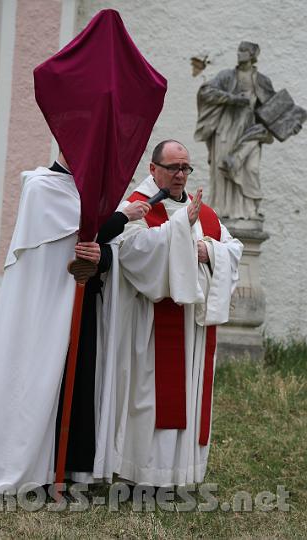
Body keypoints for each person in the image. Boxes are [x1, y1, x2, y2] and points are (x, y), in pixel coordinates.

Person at [0, 151, 149, 493]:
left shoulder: (85, 190)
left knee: (81, 378)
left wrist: (104, 251)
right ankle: (29, 467)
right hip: (43, 310)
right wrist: (123, 215)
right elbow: (86, 228)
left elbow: (95, 241)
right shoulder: (41, 186)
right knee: (40, 382)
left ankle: (71, 468)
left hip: (81, 301)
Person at [107, 139, 243, 486]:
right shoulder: (137, 207)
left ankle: (178, 473)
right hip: (150, 326)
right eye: (173, 168)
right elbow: (132, 252)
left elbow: (233, 249)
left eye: (185, 168)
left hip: (192, 329)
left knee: (187, 395)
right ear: (153, 169)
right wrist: (181, 230)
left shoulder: (205, 213)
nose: (180, 175)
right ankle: (140, 472)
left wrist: (209, 251)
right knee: (148, 398)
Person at [194, 41, 275, 220]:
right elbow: (205, 92)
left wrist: (286, 122)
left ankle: (248, 211)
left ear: (253, 55)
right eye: (239, 50)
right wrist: (231, 99)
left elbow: (273, 109)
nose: (240, 54)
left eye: (244, 51)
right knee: (222, 169)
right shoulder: (226, 76)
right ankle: (222, 211)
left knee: (251, 169)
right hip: (226, 128)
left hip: (250, 131)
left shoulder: (262, 80)